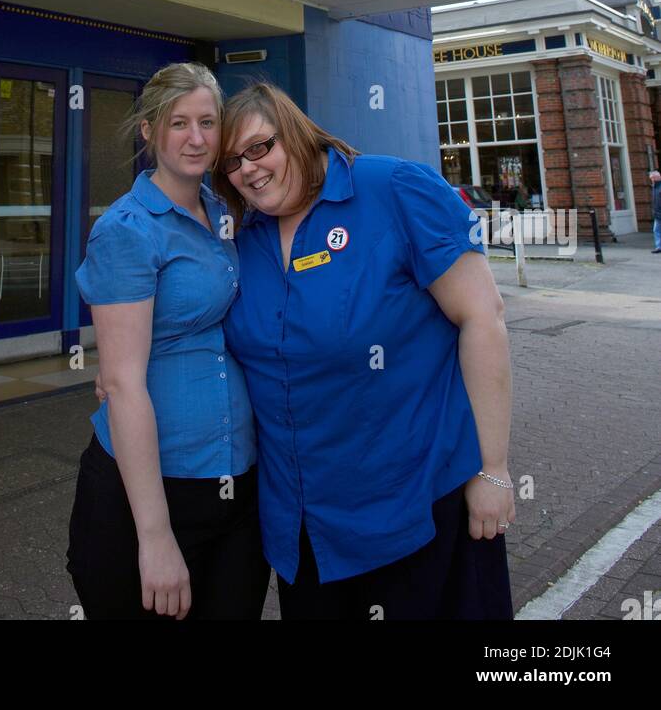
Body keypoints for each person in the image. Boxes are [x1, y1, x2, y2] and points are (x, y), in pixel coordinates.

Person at [210, 81, 515, 621]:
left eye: (260, 147)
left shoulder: (393, 188)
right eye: (232, 162)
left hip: (414, 507)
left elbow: (482, 317)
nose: (249, 169)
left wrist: (492, 469)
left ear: (297, 132)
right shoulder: (245, 237)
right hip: (302, 526)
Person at [65, 62, 270, 620]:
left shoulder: (227, 214)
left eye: (208, 121)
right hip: (152, 495)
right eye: (179, 123)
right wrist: (154, 539)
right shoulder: (128, 230)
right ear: (149, 130)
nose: (197, 137)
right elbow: (123, 384)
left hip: (236, 482)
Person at [650, 170, 661, 253]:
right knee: (656, 230)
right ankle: (659, 247)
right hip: (657, 214)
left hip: (659, 213)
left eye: (652, 178)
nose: (651, 180)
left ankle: (659, 246)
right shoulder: (654, 187)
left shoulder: (658, 188)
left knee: (656, 230)